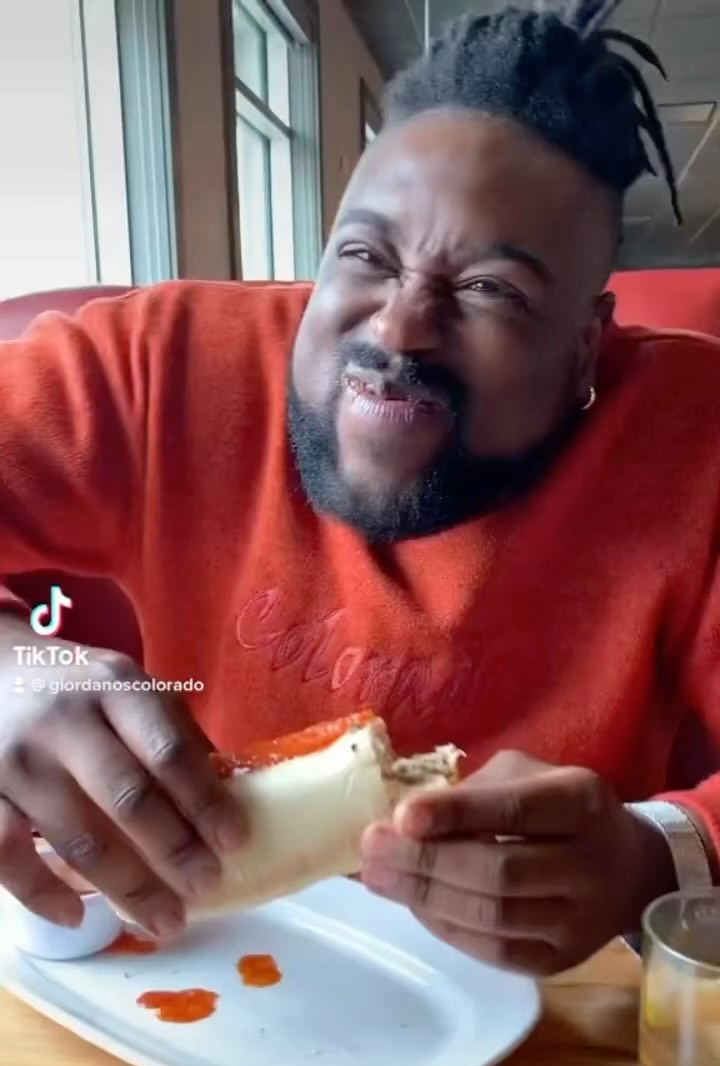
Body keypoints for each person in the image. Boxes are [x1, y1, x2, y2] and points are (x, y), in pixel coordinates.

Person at [0, 0, 717, 976]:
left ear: (585, 345)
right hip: (191, 975)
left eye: (491, 289)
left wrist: (656, 854)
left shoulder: (694, 437)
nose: (399, 328)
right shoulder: (164, 367)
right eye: (367, 256)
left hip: (560, 1015)